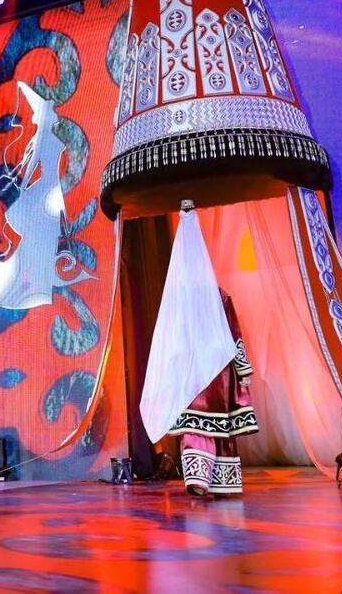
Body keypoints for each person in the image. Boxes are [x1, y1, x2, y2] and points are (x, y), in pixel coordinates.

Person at [140, 200, 258, 496]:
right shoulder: (216, 296)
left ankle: (201, 480)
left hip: (199, 369)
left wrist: (172, 365)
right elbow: (233, 334)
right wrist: (242, 370)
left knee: (197, 424)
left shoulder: (186, 298)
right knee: (218, 426)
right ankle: (214, 482)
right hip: (215, 369)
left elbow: (175, 337)